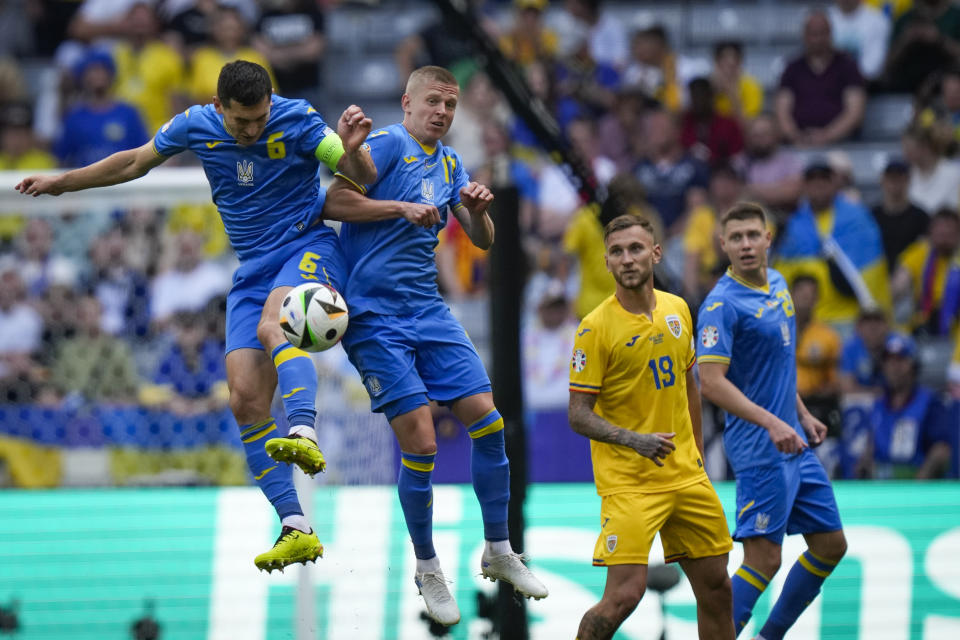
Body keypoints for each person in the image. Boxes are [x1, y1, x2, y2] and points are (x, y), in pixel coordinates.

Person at [14, 60, 423, 572]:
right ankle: (296, 526)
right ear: (217, 108)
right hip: (253, 267)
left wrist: (354, 147)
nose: (252, 130)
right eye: (240, 122)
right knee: (244, 400)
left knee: (273, 324)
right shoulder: (194, 125)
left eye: (259, 118)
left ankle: (303, 431)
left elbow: (360, 176)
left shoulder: (298, 119)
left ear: (270, 103)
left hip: (308, 244)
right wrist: (63, 184)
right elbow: (133, 163)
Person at [321, 65, 548, 626]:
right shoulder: (387, 145)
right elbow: (334, 205)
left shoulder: (450, 163)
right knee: (421, 442)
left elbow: (484, 241)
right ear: (407, 102)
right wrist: (398, 208)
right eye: (433, 102)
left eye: (450, 105)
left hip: (428, 310)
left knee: (489, 421)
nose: (442, 113)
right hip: (374, 319)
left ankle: (499, 550)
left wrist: (478, 210)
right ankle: (427, 567)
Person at [567, 214, 734, 640]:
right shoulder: (595, 328)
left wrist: (695, 451)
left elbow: (689, 383)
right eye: (617, 252)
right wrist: (633, 441)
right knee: (624, 596)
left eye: (636, 249)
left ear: (655, 253)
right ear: (606, 262)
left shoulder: (678, 309)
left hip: (685, 475)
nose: (627, 259)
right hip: (629, 484)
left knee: (716, 587)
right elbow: (578, 414)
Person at [698, 202, 848, 640]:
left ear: (768, 239)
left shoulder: (779, 283)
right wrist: (772, 423)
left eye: (752, 235)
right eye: (736, 238)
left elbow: (775, 364)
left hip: (793, 439)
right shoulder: (721, 306)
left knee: (830, 545)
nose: (745, 245)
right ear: (723, 244)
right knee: (763, 560)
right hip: (761, 447)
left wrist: (800, 414)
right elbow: (711, 383)